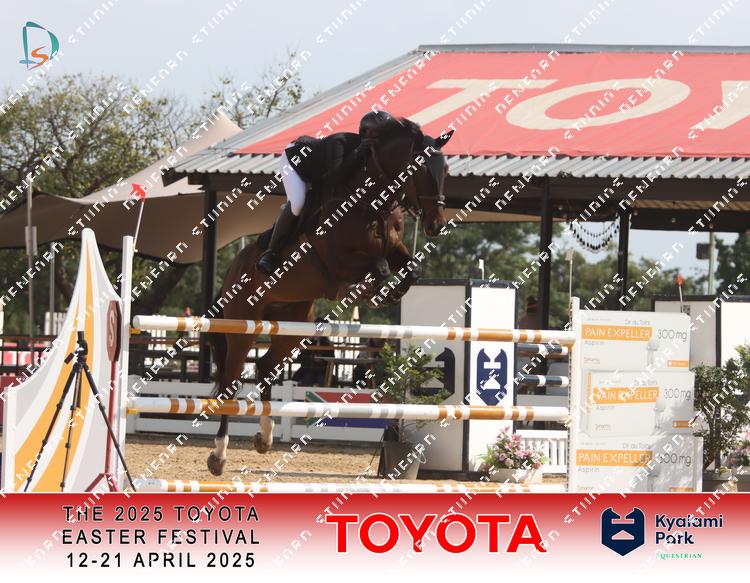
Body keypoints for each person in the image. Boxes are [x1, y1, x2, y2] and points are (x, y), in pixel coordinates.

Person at [256, 110, 395, 275]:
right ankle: (270, 253)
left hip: (321, 171)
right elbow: (334, 179)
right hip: (296, 161)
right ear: (366, 133)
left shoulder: (372, 152)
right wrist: (357, 153)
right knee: (298, 202)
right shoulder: (339, 143)